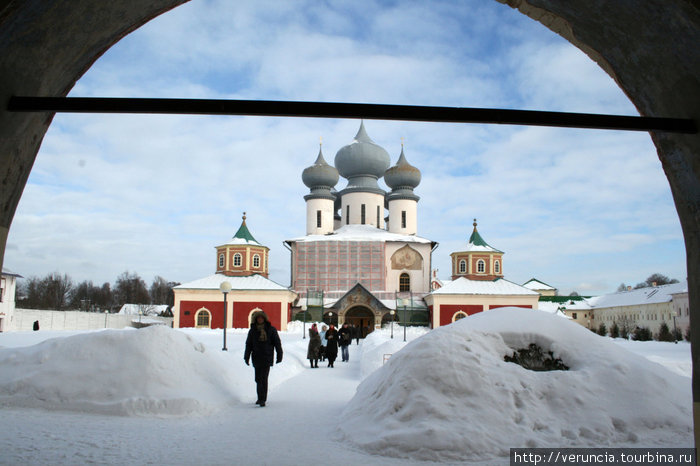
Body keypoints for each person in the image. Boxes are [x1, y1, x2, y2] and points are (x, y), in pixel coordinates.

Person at [244, 310, 283, 407]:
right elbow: (249, 344)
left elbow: (277, 343)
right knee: (257, 379)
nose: (260, 319)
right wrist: (246, 356)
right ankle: (259, 397)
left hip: (267, 356)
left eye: (261, 318)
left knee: (263, 378)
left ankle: (262, 399)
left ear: (264, 319)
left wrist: (279, 355)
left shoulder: (271, 330)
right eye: (258, 318)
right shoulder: (253, 330)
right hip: (256, 357)